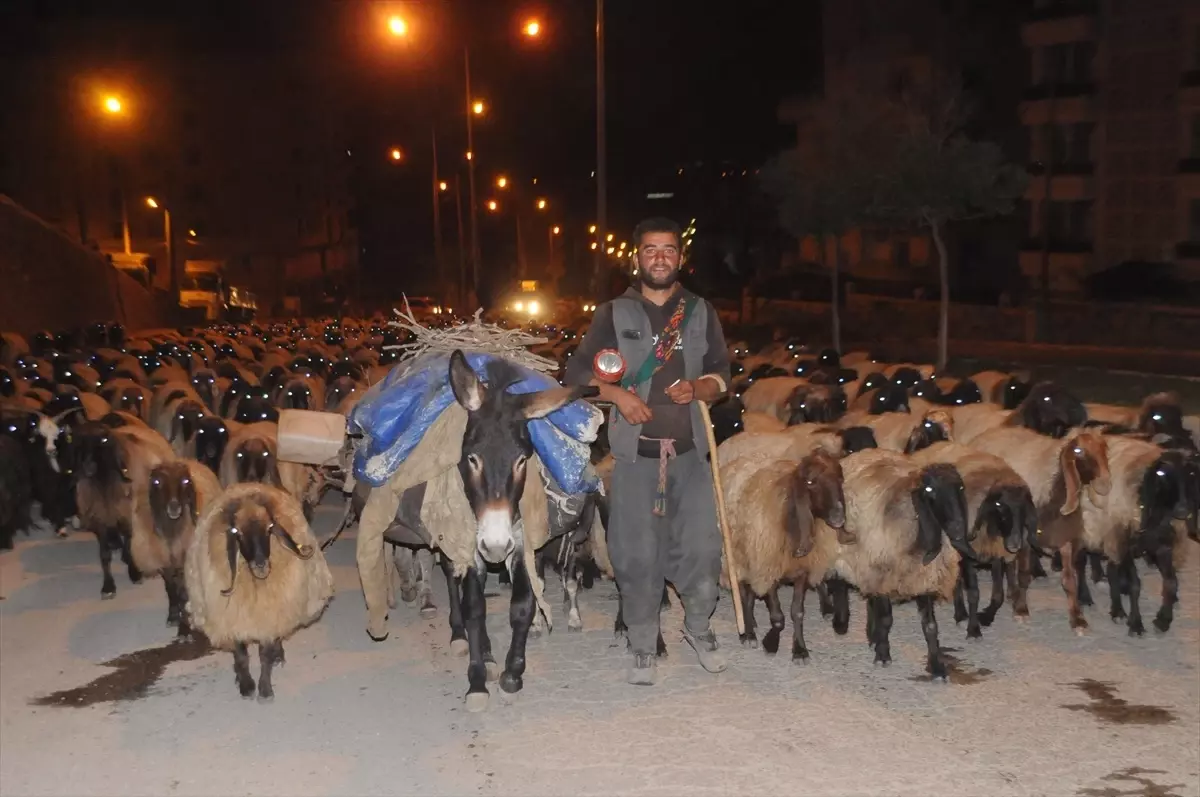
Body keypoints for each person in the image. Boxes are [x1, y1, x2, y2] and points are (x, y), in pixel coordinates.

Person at [565, 216, 732, 685]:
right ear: (636, 256)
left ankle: (698, 628)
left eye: (669, 249)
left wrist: (700, 387)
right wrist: (618, 395)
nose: (660, 257)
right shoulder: (613, 313)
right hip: (636, 458)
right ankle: (642, 641)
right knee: (635, 552)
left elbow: (724, 374)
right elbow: (577, 376)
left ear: (681, 257)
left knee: (702, 549)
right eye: (651, 249)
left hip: (690, 454)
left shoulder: (701, 311)